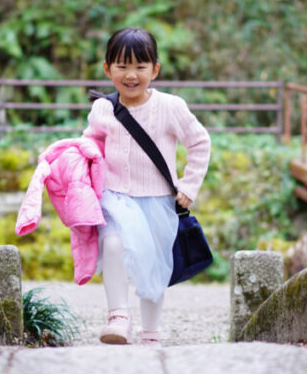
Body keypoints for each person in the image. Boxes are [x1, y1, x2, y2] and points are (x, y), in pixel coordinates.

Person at [83, 26, 211, 346]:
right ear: (107, 68)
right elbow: (90, 147)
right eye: (122, 66)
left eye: (140, 66)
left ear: (154, 70)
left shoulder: (171, 107)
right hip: (114, 197)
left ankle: (151, 333)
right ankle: (119, 317)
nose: (131, 74)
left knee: (153, 268)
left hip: (157, 202)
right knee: (112, 244)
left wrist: (189, 186)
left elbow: (199, 142)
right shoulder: (103, 108)